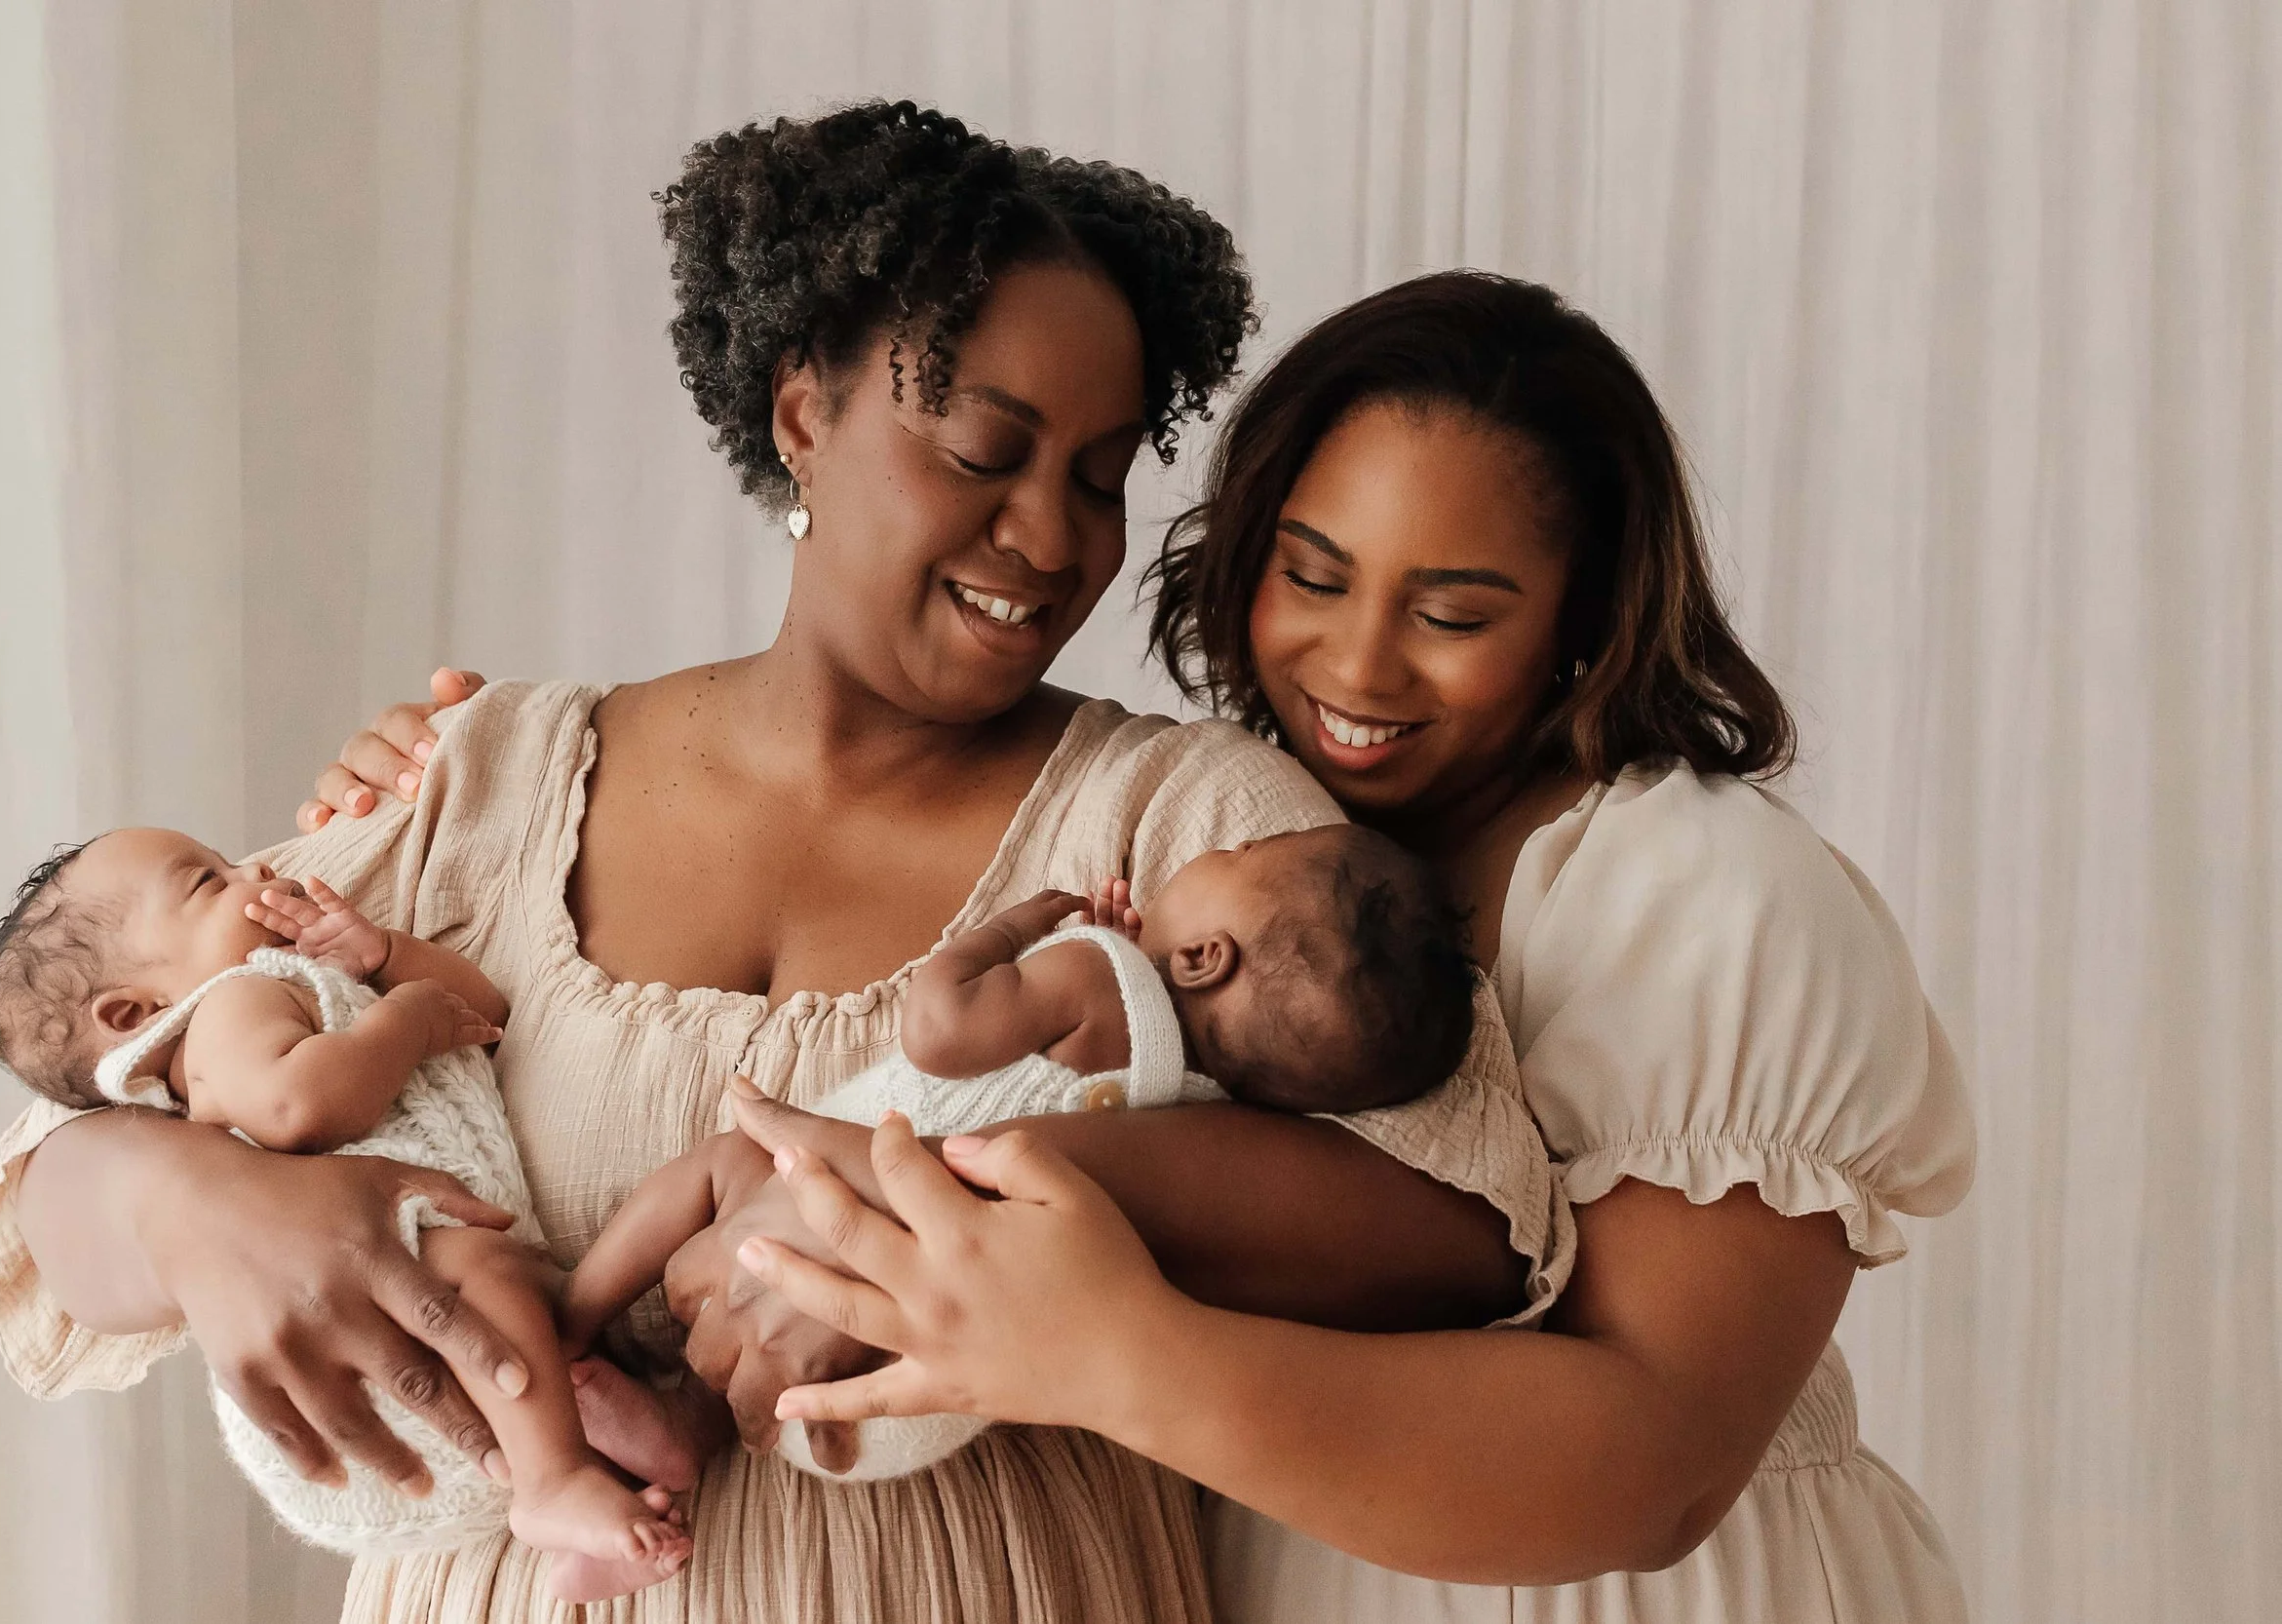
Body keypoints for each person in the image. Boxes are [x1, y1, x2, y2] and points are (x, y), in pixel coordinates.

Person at [0, 106, 1565, 1621]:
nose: (1056, 538)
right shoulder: (483, 778)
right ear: (805, 412)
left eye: (1097, 473)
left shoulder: (1178, 822)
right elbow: (52, 1177)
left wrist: (911, 1209)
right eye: (986, 449)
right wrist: (182, 1203)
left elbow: (1463, 1225)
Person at [719, 271, 1980, 1624]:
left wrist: (1108, 1350)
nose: (1360, 668)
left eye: (1452, 617)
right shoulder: (1230, 852)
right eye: (1312, 576)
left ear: (1581, 620)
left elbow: (1657, 1473)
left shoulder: (1710, 902)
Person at [560, 827, 1477, 1486]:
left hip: (824, 1219)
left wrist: (1020, 932)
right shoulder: (1212, 1115)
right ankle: (683, 1431)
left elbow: (937, 1031)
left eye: (1234, 856)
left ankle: (573, 1314)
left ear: (1202, 957)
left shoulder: (1092, 977)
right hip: (920, 1391)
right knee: (753, 1388)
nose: (1210, 853)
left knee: (729, 1154)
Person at [0, 831, 687, 1578]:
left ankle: (603, 1513)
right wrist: (404, 1020)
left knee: (543, 1300)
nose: (257, 868)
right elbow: (298, 1106)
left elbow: (480, 1013)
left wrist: (385, 960)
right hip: (393, 1266)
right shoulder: (225, 1009)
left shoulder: (286, 980)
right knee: (493, 1275)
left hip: (411, 1282)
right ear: (132, 1012)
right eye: (209, 883)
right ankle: (551, 1483)